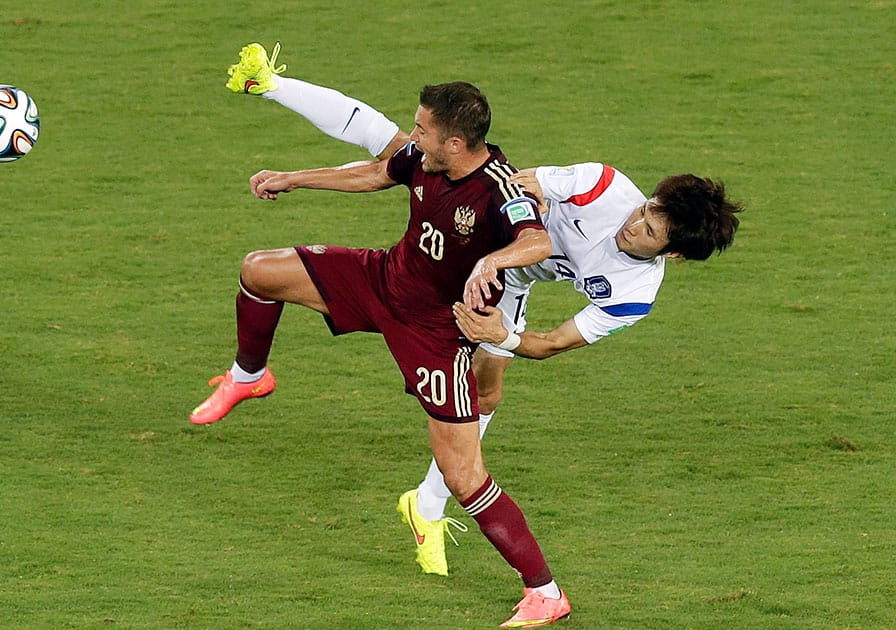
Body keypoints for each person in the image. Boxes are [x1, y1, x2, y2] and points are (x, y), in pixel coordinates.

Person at [222, 42, 744, 592]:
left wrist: (503, 333)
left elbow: (549, 344)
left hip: (505, 286)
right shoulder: (605, 186)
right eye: (646, 210)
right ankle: (272, 85)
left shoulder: (634, 294)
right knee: (398, 150)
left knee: (486, 393)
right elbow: (519, 191)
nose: (634, 224)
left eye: (651, 231)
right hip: (490, 251)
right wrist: (481, 226)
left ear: (674, 254)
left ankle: (428, 503)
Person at [195, 74, 571, 627]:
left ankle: (545, 592)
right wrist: (293, 178)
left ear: (456, 144)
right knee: (259, 270)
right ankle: (249, 374)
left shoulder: (503, 189)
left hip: (438, 333)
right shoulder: (425, 157)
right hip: (382, 280)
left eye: (422, 129)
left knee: (462, 474)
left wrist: (493, 262)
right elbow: (375, 172)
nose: (411, 137)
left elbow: (536, 241)